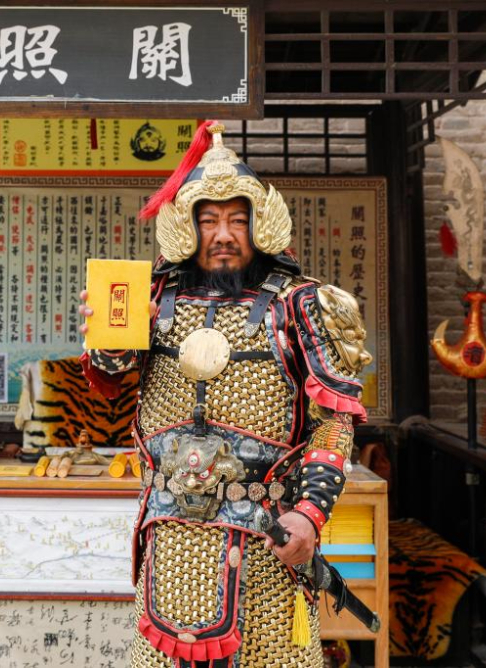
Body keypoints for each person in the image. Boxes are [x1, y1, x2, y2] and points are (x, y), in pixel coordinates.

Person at [78, 121, 372, 667]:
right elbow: (110, 382)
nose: (223, 234)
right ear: (187, 227)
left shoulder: (300, 305)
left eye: (238, 220)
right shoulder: (151, 297)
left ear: (261, 225)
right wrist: (110, 339)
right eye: (208, 220)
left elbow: (333, 422)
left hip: (266, 529)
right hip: (170, 532)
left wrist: (310, 514)